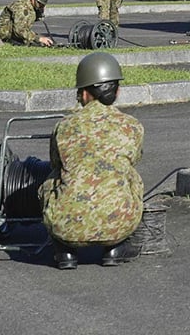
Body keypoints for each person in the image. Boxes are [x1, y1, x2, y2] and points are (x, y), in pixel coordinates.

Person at [41, 52, 146, 270]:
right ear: (116, 91)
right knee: (132, 177)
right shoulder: (132, 126)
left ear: (85, 93)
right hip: (121, 225)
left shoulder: (64, 126)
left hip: (64, 226)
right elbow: (132, 161)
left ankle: (65, 252)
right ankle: (115, 249)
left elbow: (55, 165)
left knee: (51, 181)